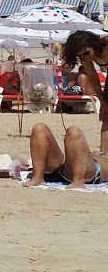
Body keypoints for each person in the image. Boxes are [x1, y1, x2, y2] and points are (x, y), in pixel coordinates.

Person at [25, 32, 105, 189]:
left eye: (86, 53)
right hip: (67, 168)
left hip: (88, 172)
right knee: (39, 128)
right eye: (80, 56)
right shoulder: (88, 57)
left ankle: (77, 181)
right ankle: (38, 177)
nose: (84, 57)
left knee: (73, 132)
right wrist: (103, 102)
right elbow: (92, 76)